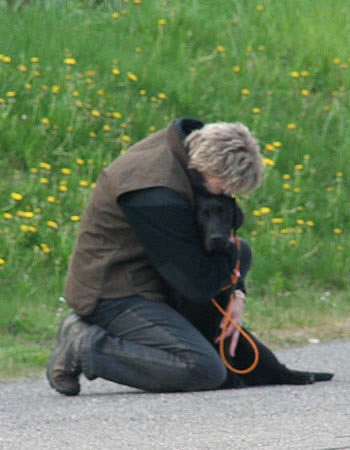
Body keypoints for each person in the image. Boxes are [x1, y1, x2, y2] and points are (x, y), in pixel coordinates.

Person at [46, 118, 275, 395]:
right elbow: (197, 285)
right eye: (225, 186)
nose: (228, 195)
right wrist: (232, 272)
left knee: (242, 251)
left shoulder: (188, 150)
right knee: (203, 369)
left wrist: (237, 292)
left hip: (150, 274)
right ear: (208, 167)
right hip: (112, 292)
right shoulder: (156, 193)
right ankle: (85, 345)